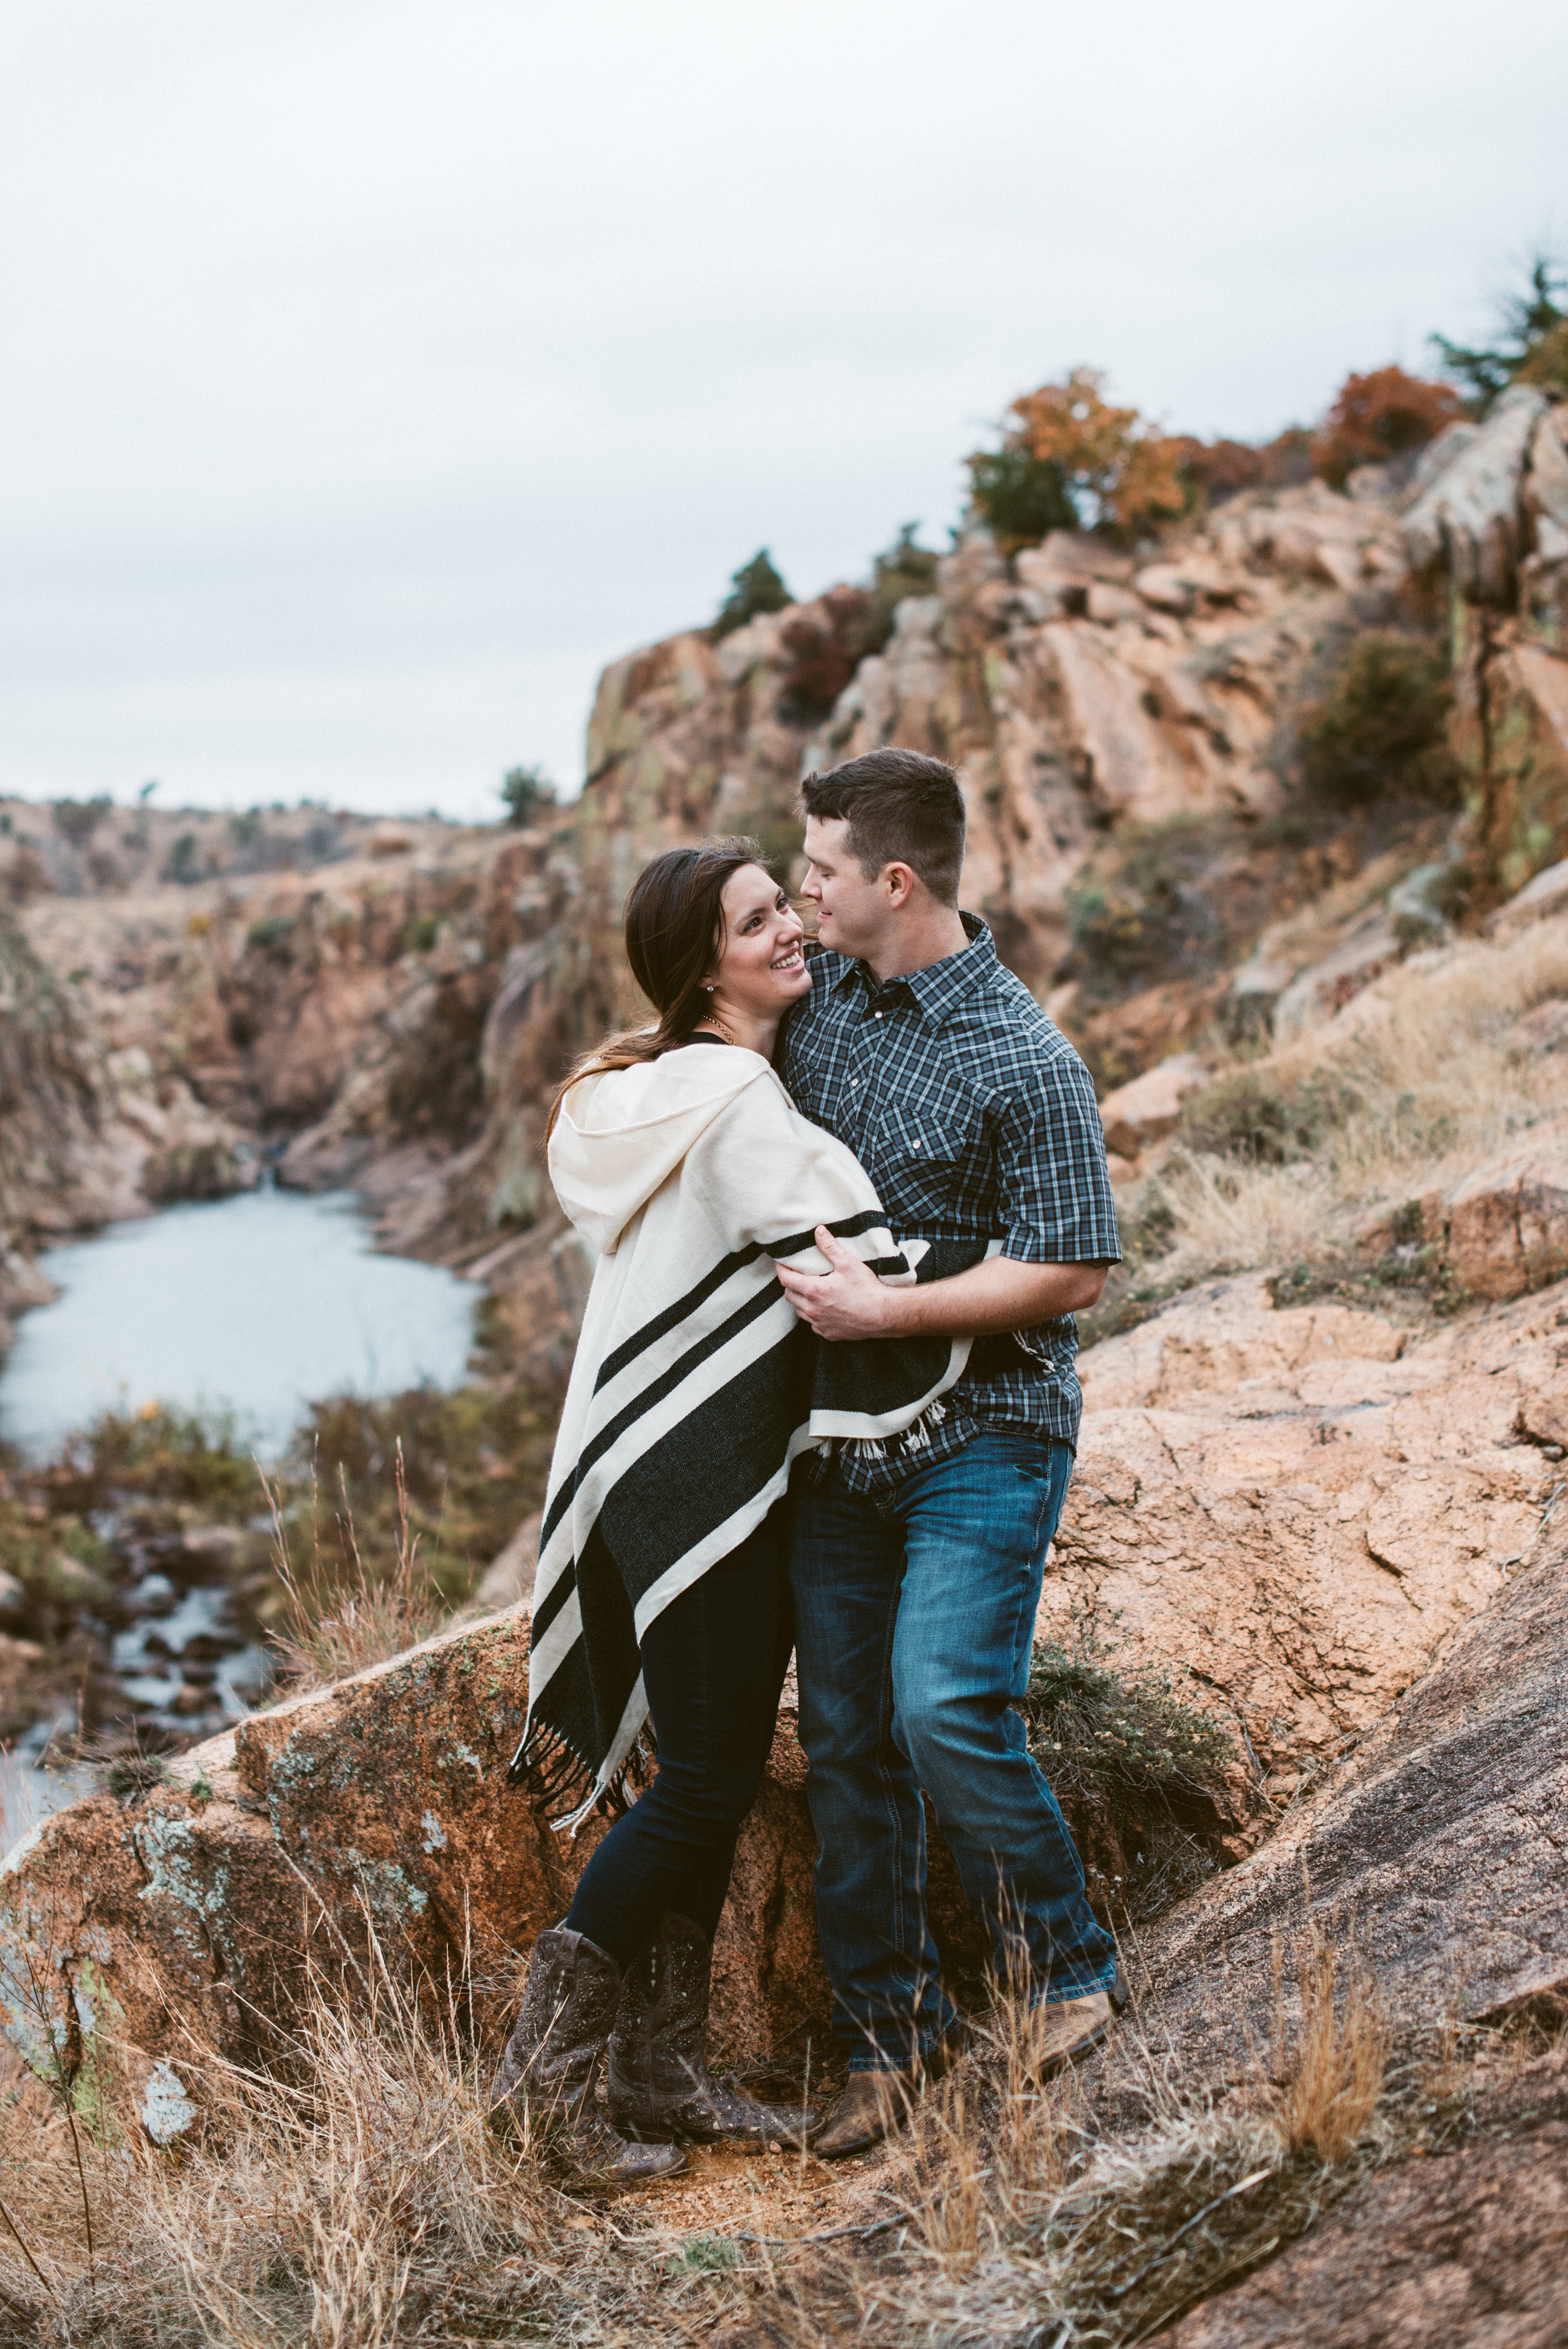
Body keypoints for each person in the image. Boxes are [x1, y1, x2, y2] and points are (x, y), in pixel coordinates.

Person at [490, 837, 983, 2183]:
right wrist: (991, 1265)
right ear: (700, 962)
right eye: (759, 920)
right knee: (705, 1783)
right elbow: (849, 1264)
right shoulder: (733, 1102)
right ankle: (543, 2095)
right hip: (696, 1480)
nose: (791, 932)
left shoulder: (671, 1089)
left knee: (697, 1778)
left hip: (668, 1470)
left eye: (787, 907)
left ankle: (659, 2067)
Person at [774, 746, 1124, 2160]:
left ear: (894, 882)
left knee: (942, 1708)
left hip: (988, 1432)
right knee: (848, 1742)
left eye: (819, 875)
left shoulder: (1027, 1061)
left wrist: (889, 1312)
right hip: (840, 1445)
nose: (802, 898)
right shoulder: (824, 1003)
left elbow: (1076, 1270)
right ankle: (889, 2044)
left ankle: (1072, 1975)